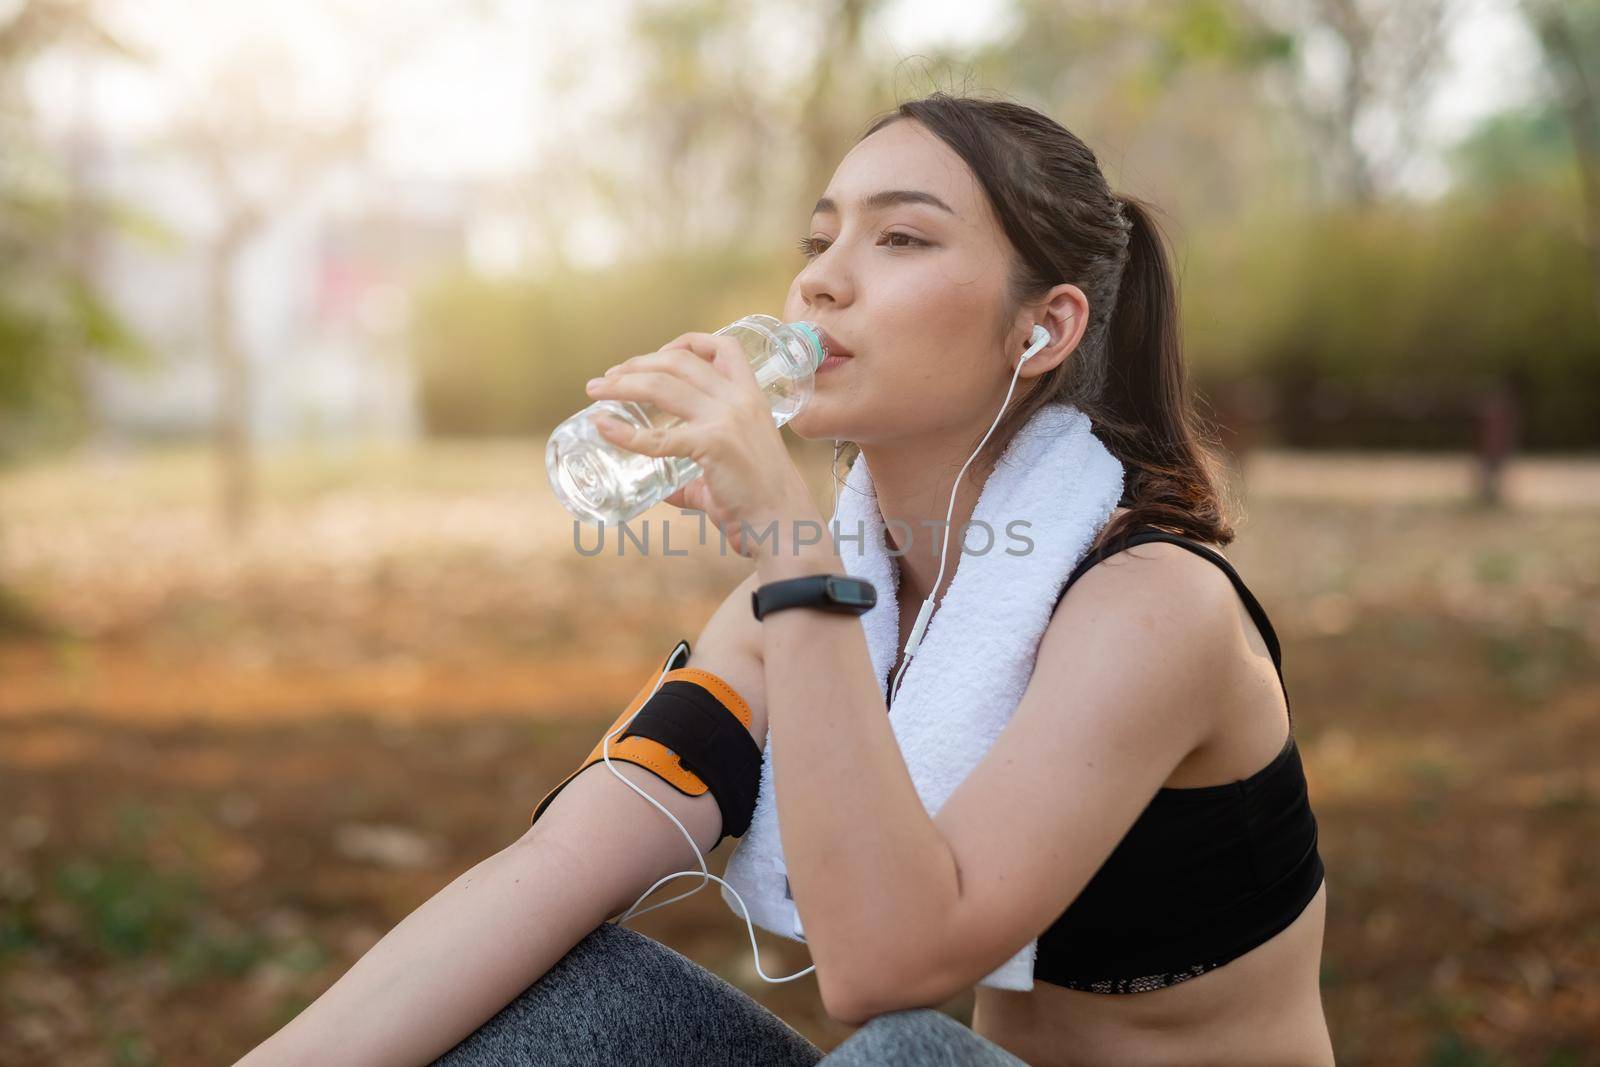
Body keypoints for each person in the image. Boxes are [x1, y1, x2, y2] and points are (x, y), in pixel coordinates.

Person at [233, 91, 1334, 1067]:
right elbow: (553, 870)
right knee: (567, 982)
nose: (820, 279)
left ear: (1042, 326)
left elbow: (884, 973)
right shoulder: (797, 608)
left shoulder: (1151, 606)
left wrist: (791, 553)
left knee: (911, 1055)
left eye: (900, 237)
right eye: (820, 238)